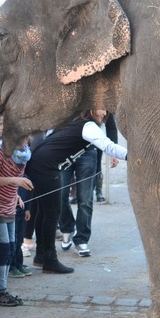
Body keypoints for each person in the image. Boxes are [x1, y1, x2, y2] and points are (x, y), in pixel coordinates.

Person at [25, 109, 127, 274]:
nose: (104, 113)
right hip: (46, 166)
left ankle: (42, 256)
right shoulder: (88, 126)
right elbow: (108, 146)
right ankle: (49, 260)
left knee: (44, 212)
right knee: (52, 213)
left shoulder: (79, 123)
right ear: (92, 110)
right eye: (101, 109)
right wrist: (132, 154)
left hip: (41, 162)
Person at [0, 139, 33, 305]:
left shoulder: (24, 155)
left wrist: (16, 193)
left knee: (12, 247)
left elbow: (11, 179)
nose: (23, 141)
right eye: (20, 137)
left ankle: (2, 289)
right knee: (4, 249)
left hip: (10, 206)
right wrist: (16, 181)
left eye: (26, 136)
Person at [94, 113, 118, 202]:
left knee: (97, 165)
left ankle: (98, 191)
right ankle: (77, 192)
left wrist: (113, 152)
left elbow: (111, 127)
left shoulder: (105, 109)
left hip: (98, 140)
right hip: (81, 139)